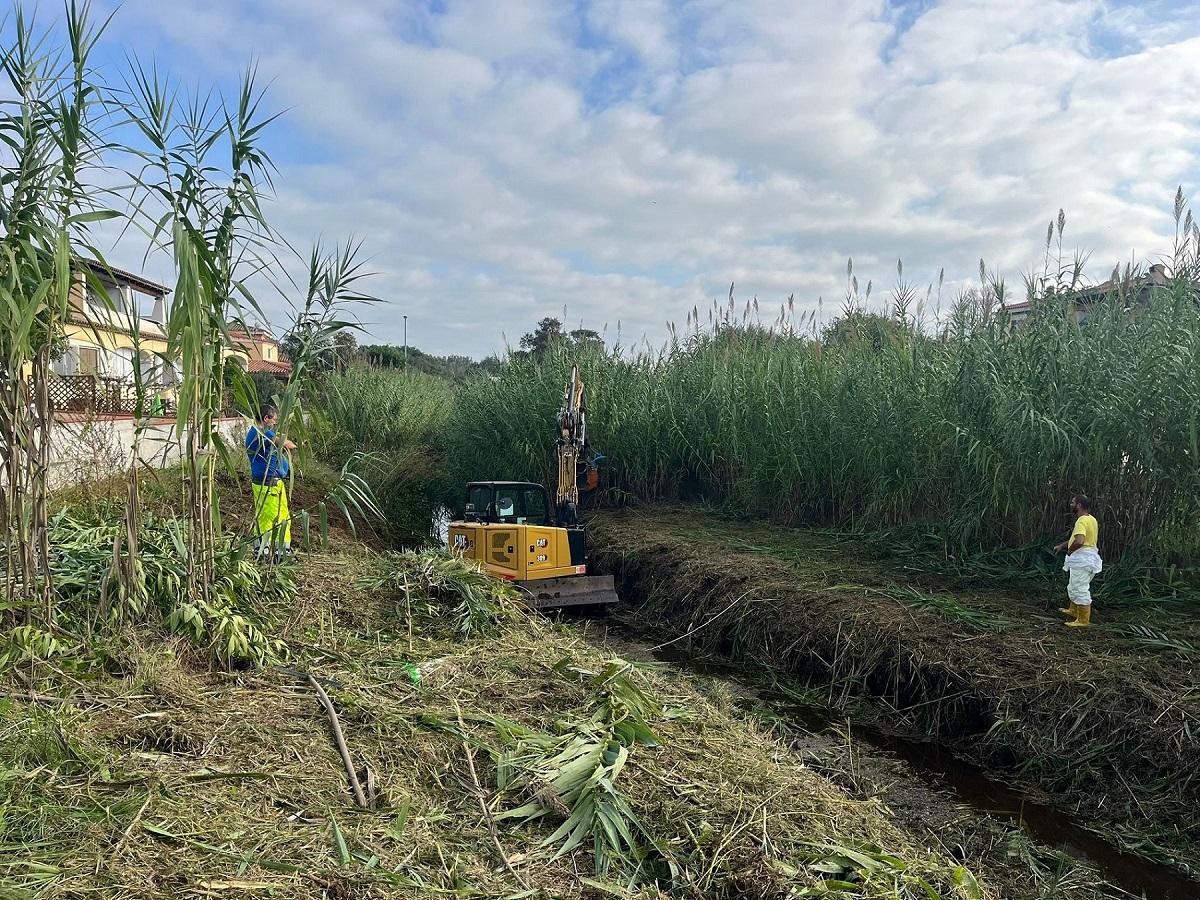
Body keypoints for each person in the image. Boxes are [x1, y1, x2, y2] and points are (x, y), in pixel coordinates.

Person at [245, 404, 296, 560]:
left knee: (279, 516)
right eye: (274, 419)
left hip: (270, 482)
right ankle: (268, 552)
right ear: (266, 418)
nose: (275, 423)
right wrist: (296, 445)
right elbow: (285, 444)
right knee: (270, 517)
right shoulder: (261, 434)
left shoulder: (258, 432)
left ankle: (277, 550)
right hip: (268, 484)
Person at [1053, 494, 1102, 627]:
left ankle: (1083, 620)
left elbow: (1079, 541)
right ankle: (1074, 610)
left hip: (1082, 559)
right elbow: (1078, 539)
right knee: (1074, 585)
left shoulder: (1081, 521)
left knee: (1079, 588)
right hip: (1089, 558)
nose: (1071, 505)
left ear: (1079, 505)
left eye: (1073, 503)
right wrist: (1063, 545)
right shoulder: (1091, 519)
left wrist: (1070, 550)